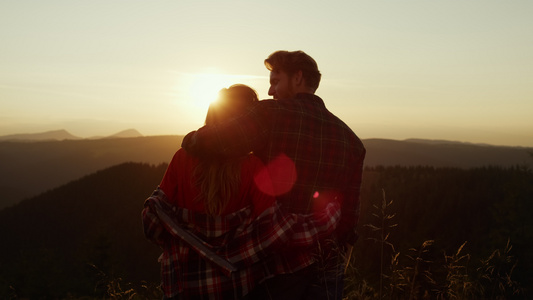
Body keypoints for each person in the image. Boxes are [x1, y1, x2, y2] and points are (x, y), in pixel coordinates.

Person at [181, 50, 366, 299]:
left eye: (275, 81)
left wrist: (191, 139)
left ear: (298, 78)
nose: (270, 92)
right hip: (327, 268)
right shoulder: (351, 141)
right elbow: (349, 219)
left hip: (276, 267)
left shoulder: (270, 114)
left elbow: (215, 140)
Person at [142, 84, 341, 299]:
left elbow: (155, 219)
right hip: (235, 287)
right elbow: (273, 230)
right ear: (246, 124)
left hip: (184, 286)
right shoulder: (253, 166)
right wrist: (329, 215)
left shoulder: (181, 158)